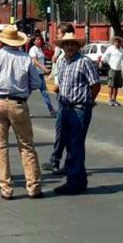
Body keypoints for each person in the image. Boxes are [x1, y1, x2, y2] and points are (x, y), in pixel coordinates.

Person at [0, 26, 43, 200]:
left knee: (0, 146)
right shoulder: (25, 59)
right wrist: (24, 90)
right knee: (26, 145)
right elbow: (36, 83)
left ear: (0, 40)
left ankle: (5, 188)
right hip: (18, 102)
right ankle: (33, 186)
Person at [53, 33, 101, 195]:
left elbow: (95, 85)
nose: (69, 47)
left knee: (75, 145)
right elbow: (60, 84)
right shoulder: (62, 63)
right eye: (66, 44)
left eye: (73, 44)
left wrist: (88, 101)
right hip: (65, 107)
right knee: (70, 143)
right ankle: (80, 180)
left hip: (79, 108)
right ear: (62, 46)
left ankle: (73, 182)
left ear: (78, 46)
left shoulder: (84, 62)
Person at [42, 23, 76, 173]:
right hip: (62, 95)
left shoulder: (69, 56)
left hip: (67, 98)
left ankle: (58, 161)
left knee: (63, 131)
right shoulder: (62, 55)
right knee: (63, 130)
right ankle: (58, 160)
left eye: (60, 34)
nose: (57, 37)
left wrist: (59, 88)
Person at [29, 34, 56, 116]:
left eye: (40, 39)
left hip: (40, 74)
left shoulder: (40, 49)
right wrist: (44, 68)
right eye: (37, 39)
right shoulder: (33, 49)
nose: (39, 41)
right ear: (33, 41)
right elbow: (35, 61)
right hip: (34, 73)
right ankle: (23, 110)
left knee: (44, 92)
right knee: (28, 93)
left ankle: (51, 110)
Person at [102, 36, 123, 106]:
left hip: (118, 69)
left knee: (117, 86)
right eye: (116, 41)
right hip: (112, 69)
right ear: (114, 42)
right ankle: (110, 99)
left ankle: (114, 99)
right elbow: (105, 56)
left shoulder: (121, 50)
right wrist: (109, 63)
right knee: (111, 85)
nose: (117, 43)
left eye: (119, 41)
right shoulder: (111, 49)